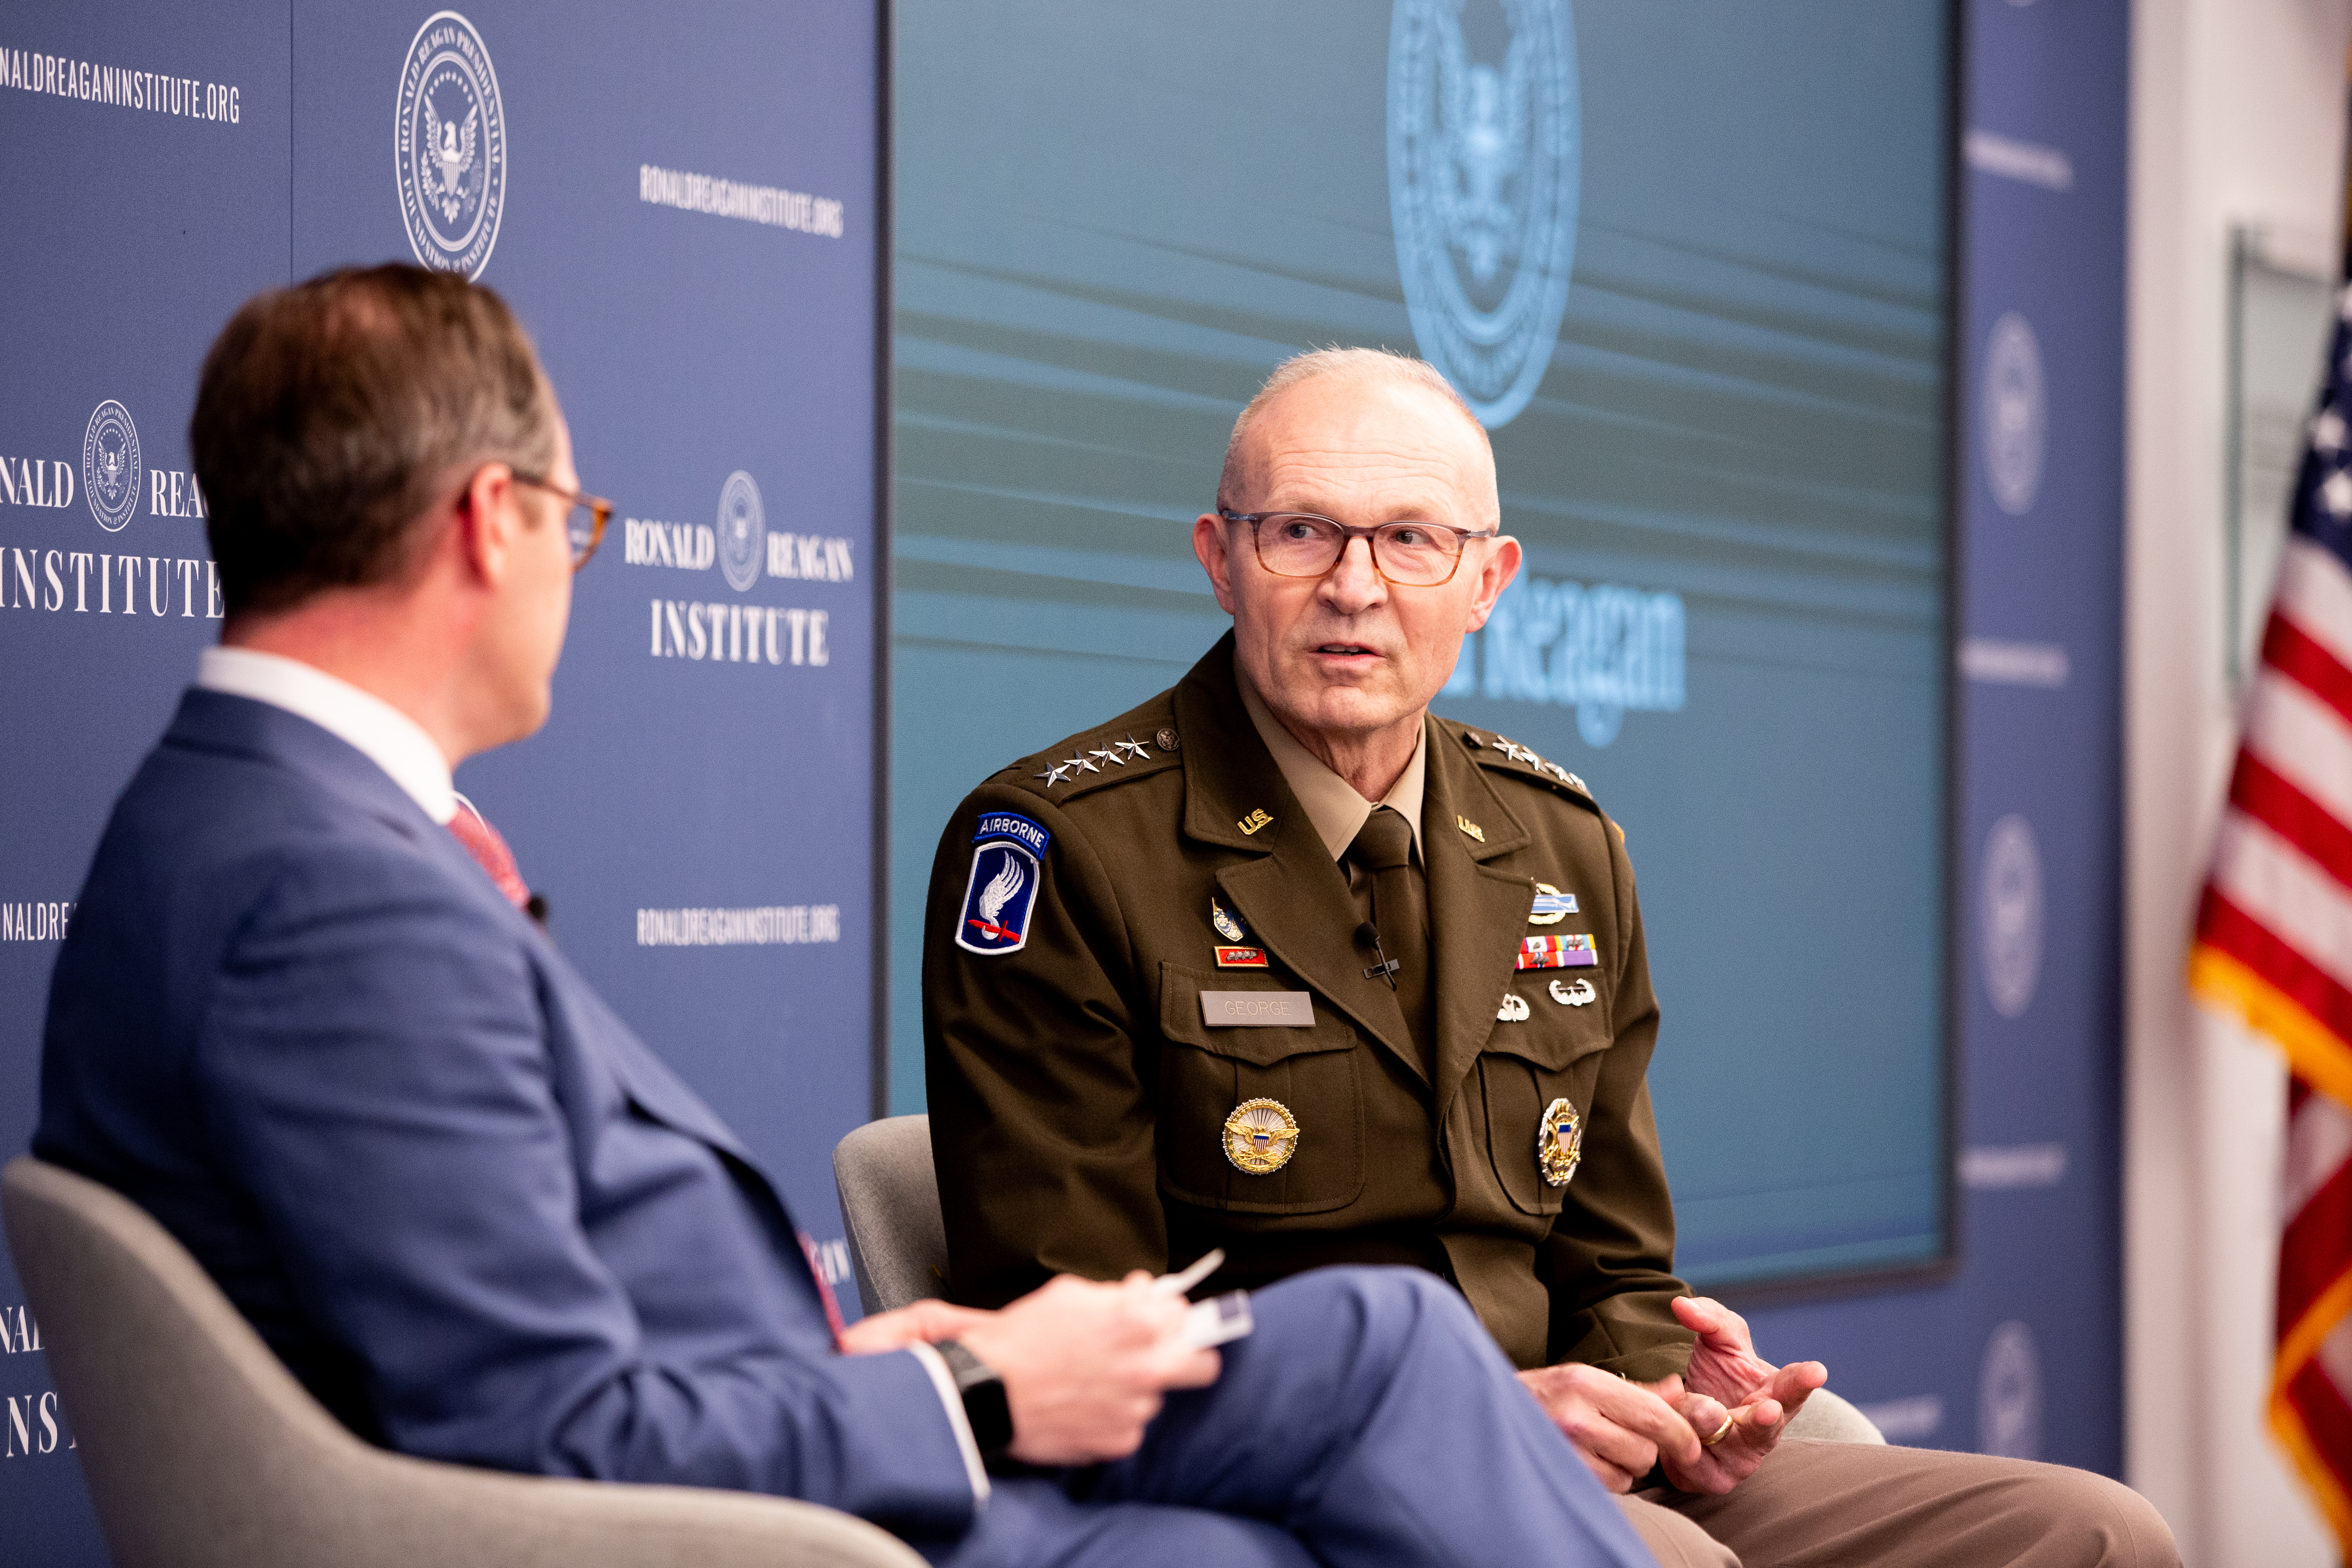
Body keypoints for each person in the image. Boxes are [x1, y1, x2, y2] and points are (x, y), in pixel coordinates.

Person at [33, 270, 1657, 1568]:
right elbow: (551, 1432)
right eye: (575, 519)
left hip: (784, 1443)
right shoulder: (328, 903)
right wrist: (973, 1382)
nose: (575, 563)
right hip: (759, 1520)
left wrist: (892, 1354)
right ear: (487, 521)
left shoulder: (228, 823)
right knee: (1372, 1350)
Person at [922, 347, 2181, 1568]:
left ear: (1488, 581)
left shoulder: (1560, 842)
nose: (1355, 585)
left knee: (2094, 1535)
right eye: (1301, 531)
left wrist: (1669, 1400)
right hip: (1290, 1480)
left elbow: (1614, 1261)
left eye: (1412, 539)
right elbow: (1076, 1338)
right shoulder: (1063, 851)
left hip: (1572, 1464)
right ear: (1220, 560)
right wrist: (1473, 1422)